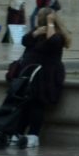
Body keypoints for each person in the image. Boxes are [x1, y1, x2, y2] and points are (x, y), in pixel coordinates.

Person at [8, 10, 70, 147]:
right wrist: (36, 33)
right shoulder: (38, 32)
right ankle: (18, 133)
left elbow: (53, 42)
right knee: (25, 103)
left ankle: (33, 135)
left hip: (46, 75)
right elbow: (24, 41)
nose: (39, 19)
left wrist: (50, 24)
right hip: (31, 73)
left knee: (37, 103)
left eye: (42, 17)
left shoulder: (57, 35)